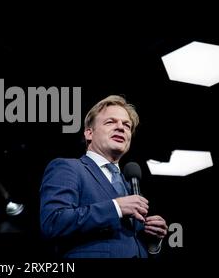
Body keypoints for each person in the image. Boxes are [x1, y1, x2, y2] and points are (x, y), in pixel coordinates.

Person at [40, 95, 167, 258]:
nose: (121, 128)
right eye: (110, 122)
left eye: (127, 125)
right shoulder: (68, 167)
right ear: (89, 133)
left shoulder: (130, 185)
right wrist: (116, 207)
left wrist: (153, 242)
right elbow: (53, 223)